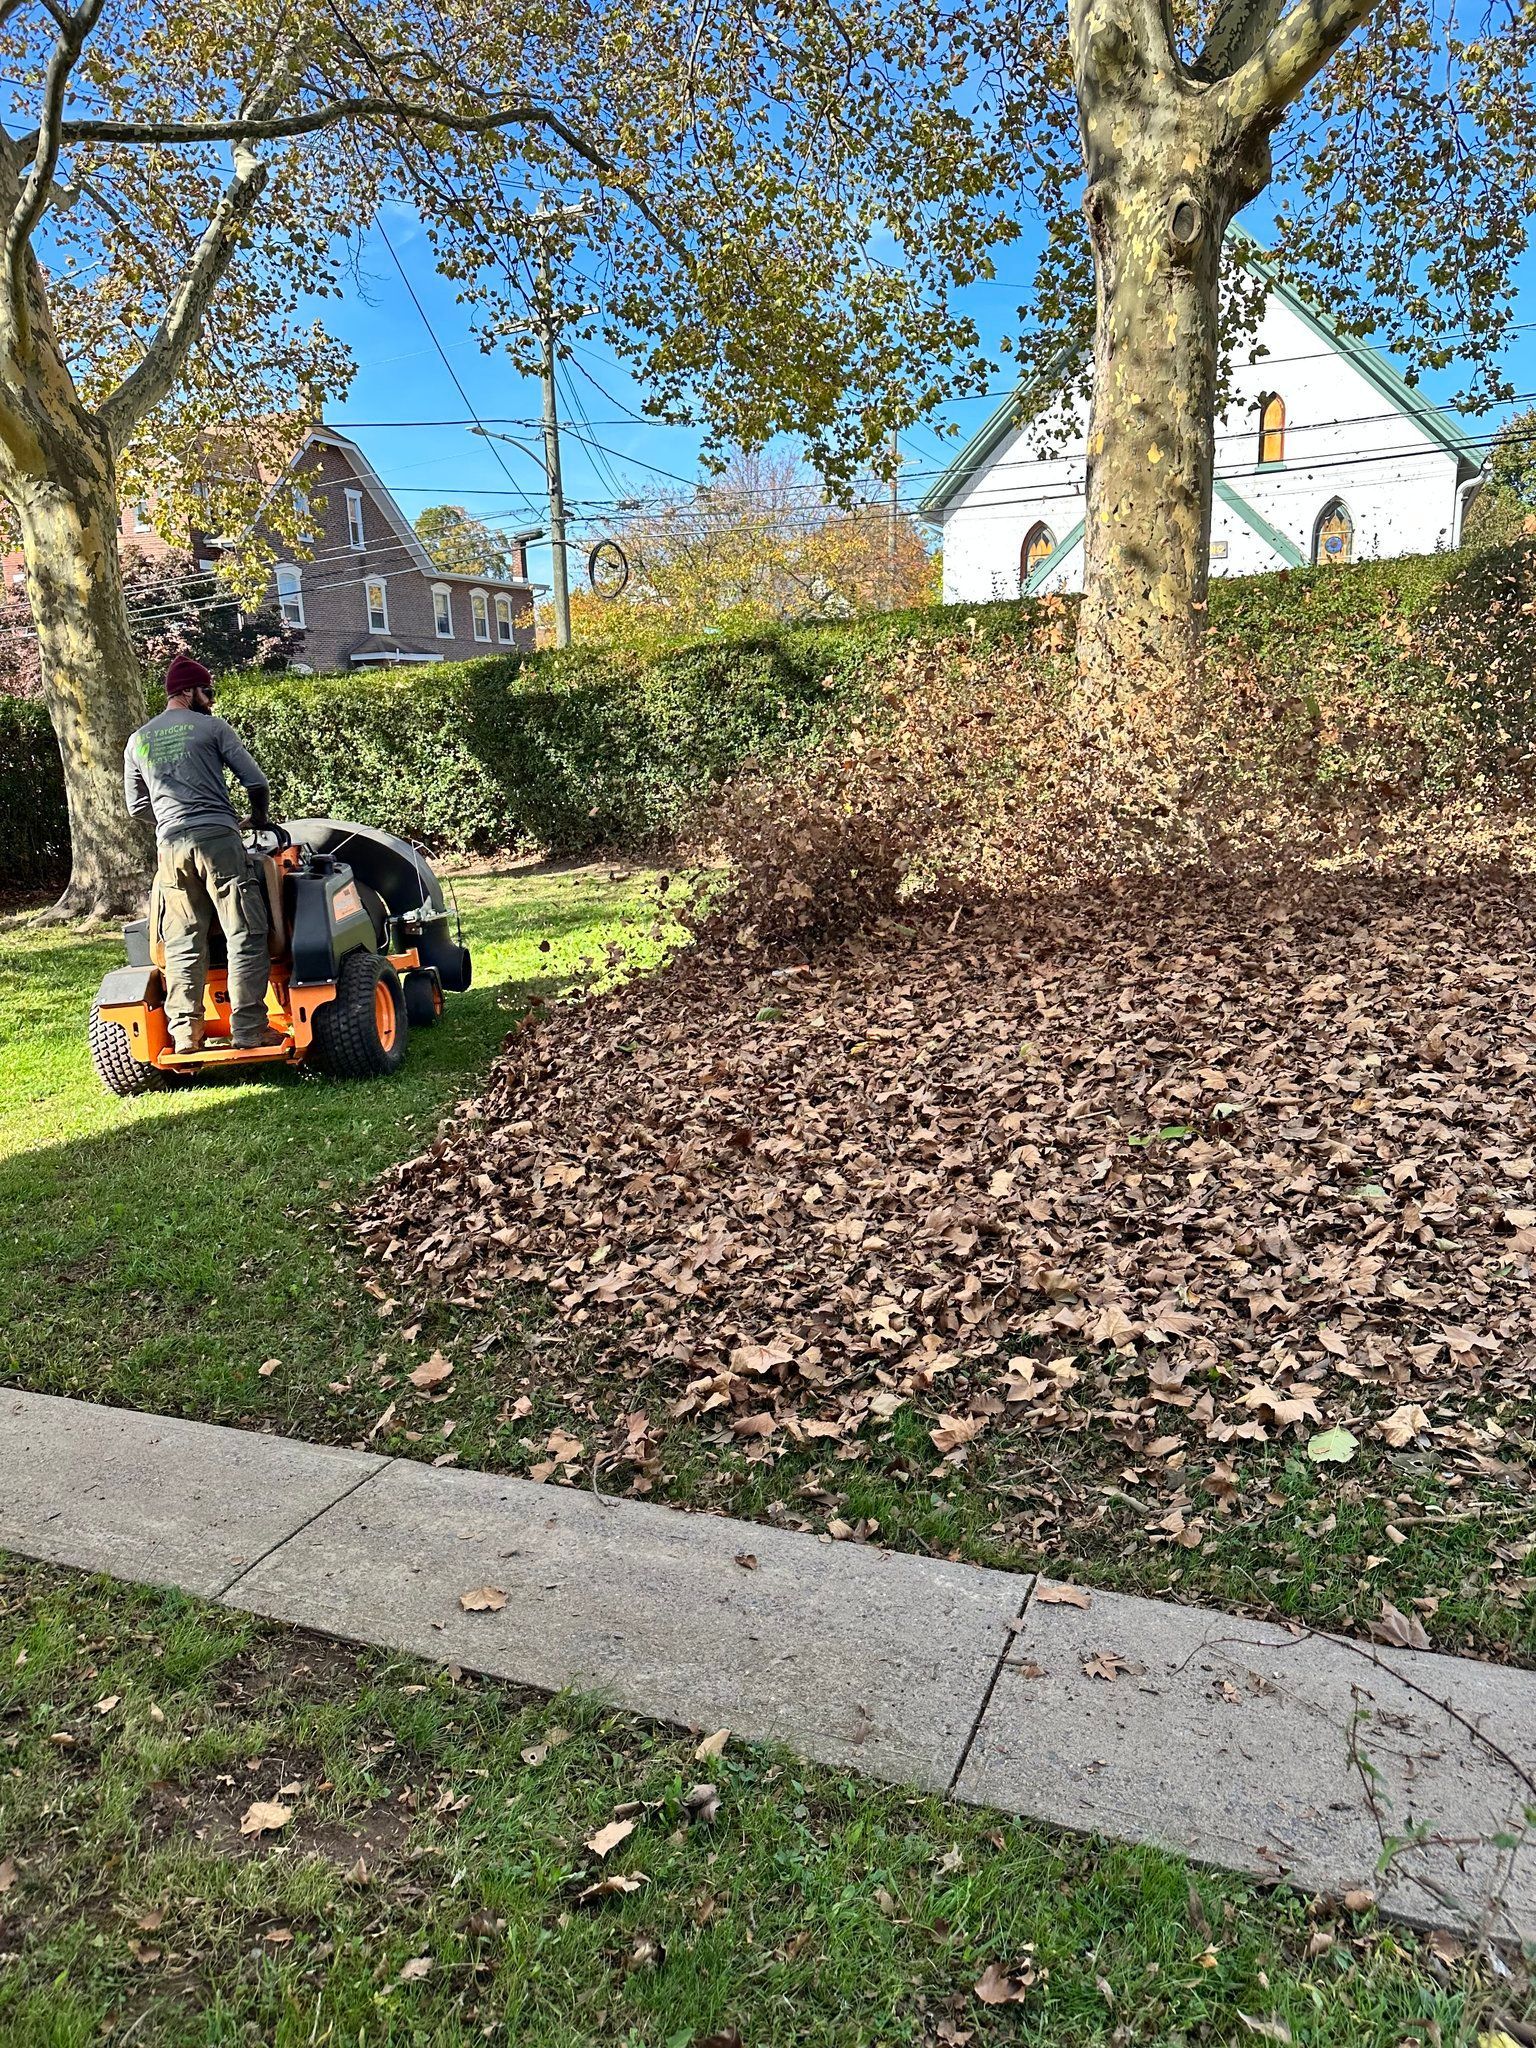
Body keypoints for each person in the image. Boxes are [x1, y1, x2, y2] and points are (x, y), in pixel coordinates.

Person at [124, 654, 281, 1055]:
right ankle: (248, 1029)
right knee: (245, 930)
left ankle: (184, 1036)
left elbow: (136, 807)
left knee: (181, 939)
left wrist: (172, 822)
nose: (211, 701)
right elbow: (256, 781)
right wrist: (257, 818)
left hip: (170, 847)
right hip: (217, 841)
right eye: (207, 692)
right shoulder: (211, 727)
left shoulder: (138, 739)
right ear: (188, 691)